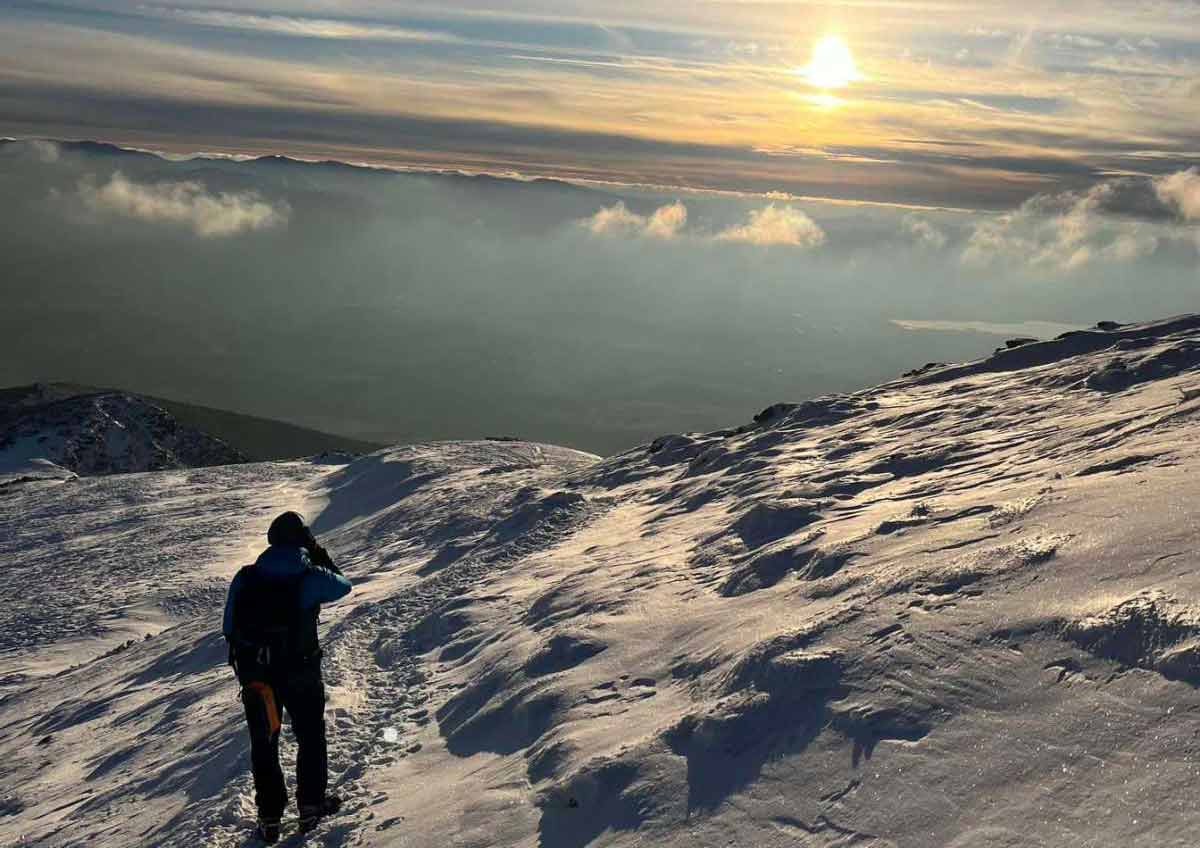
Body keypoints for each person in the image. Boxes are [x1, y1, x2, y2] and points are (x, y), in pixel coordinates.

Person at [222, 511, 353, 844]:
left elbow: (228, 627)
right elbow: (343, 585)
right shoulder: (310, 577)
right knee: (310, 735)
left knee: (264, 744)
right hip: (301, 672)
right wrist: (317, 551)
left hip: (257, 678)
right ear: (301, 540)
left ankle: (269, 816)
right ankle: (310, 805)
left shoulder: (246, 577)